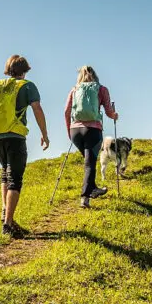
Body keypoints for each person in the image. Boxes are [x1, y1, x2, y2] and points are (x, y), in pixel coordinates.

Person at [0, 55, 50, 237]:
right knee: (15, 179)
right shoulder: (27, 86)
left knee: (5, 174)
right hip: (15, 136)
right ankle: (8, 225)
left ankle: (6, 216)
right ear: (25, 70)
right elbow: (37, 109)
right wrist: (44, 134)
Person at [64, 65, 118, 208]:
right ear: (95, 75)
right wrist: (115, 115)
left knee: (90, 162)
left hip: (75, 131)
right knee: (90, 164)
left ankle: (93, 189)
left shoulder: (74, 90)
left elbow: (66, 111)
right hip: (92, 130)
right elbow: (108, 112)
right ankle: (85, 198)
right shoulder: (101, 89)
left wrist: (68, 130)